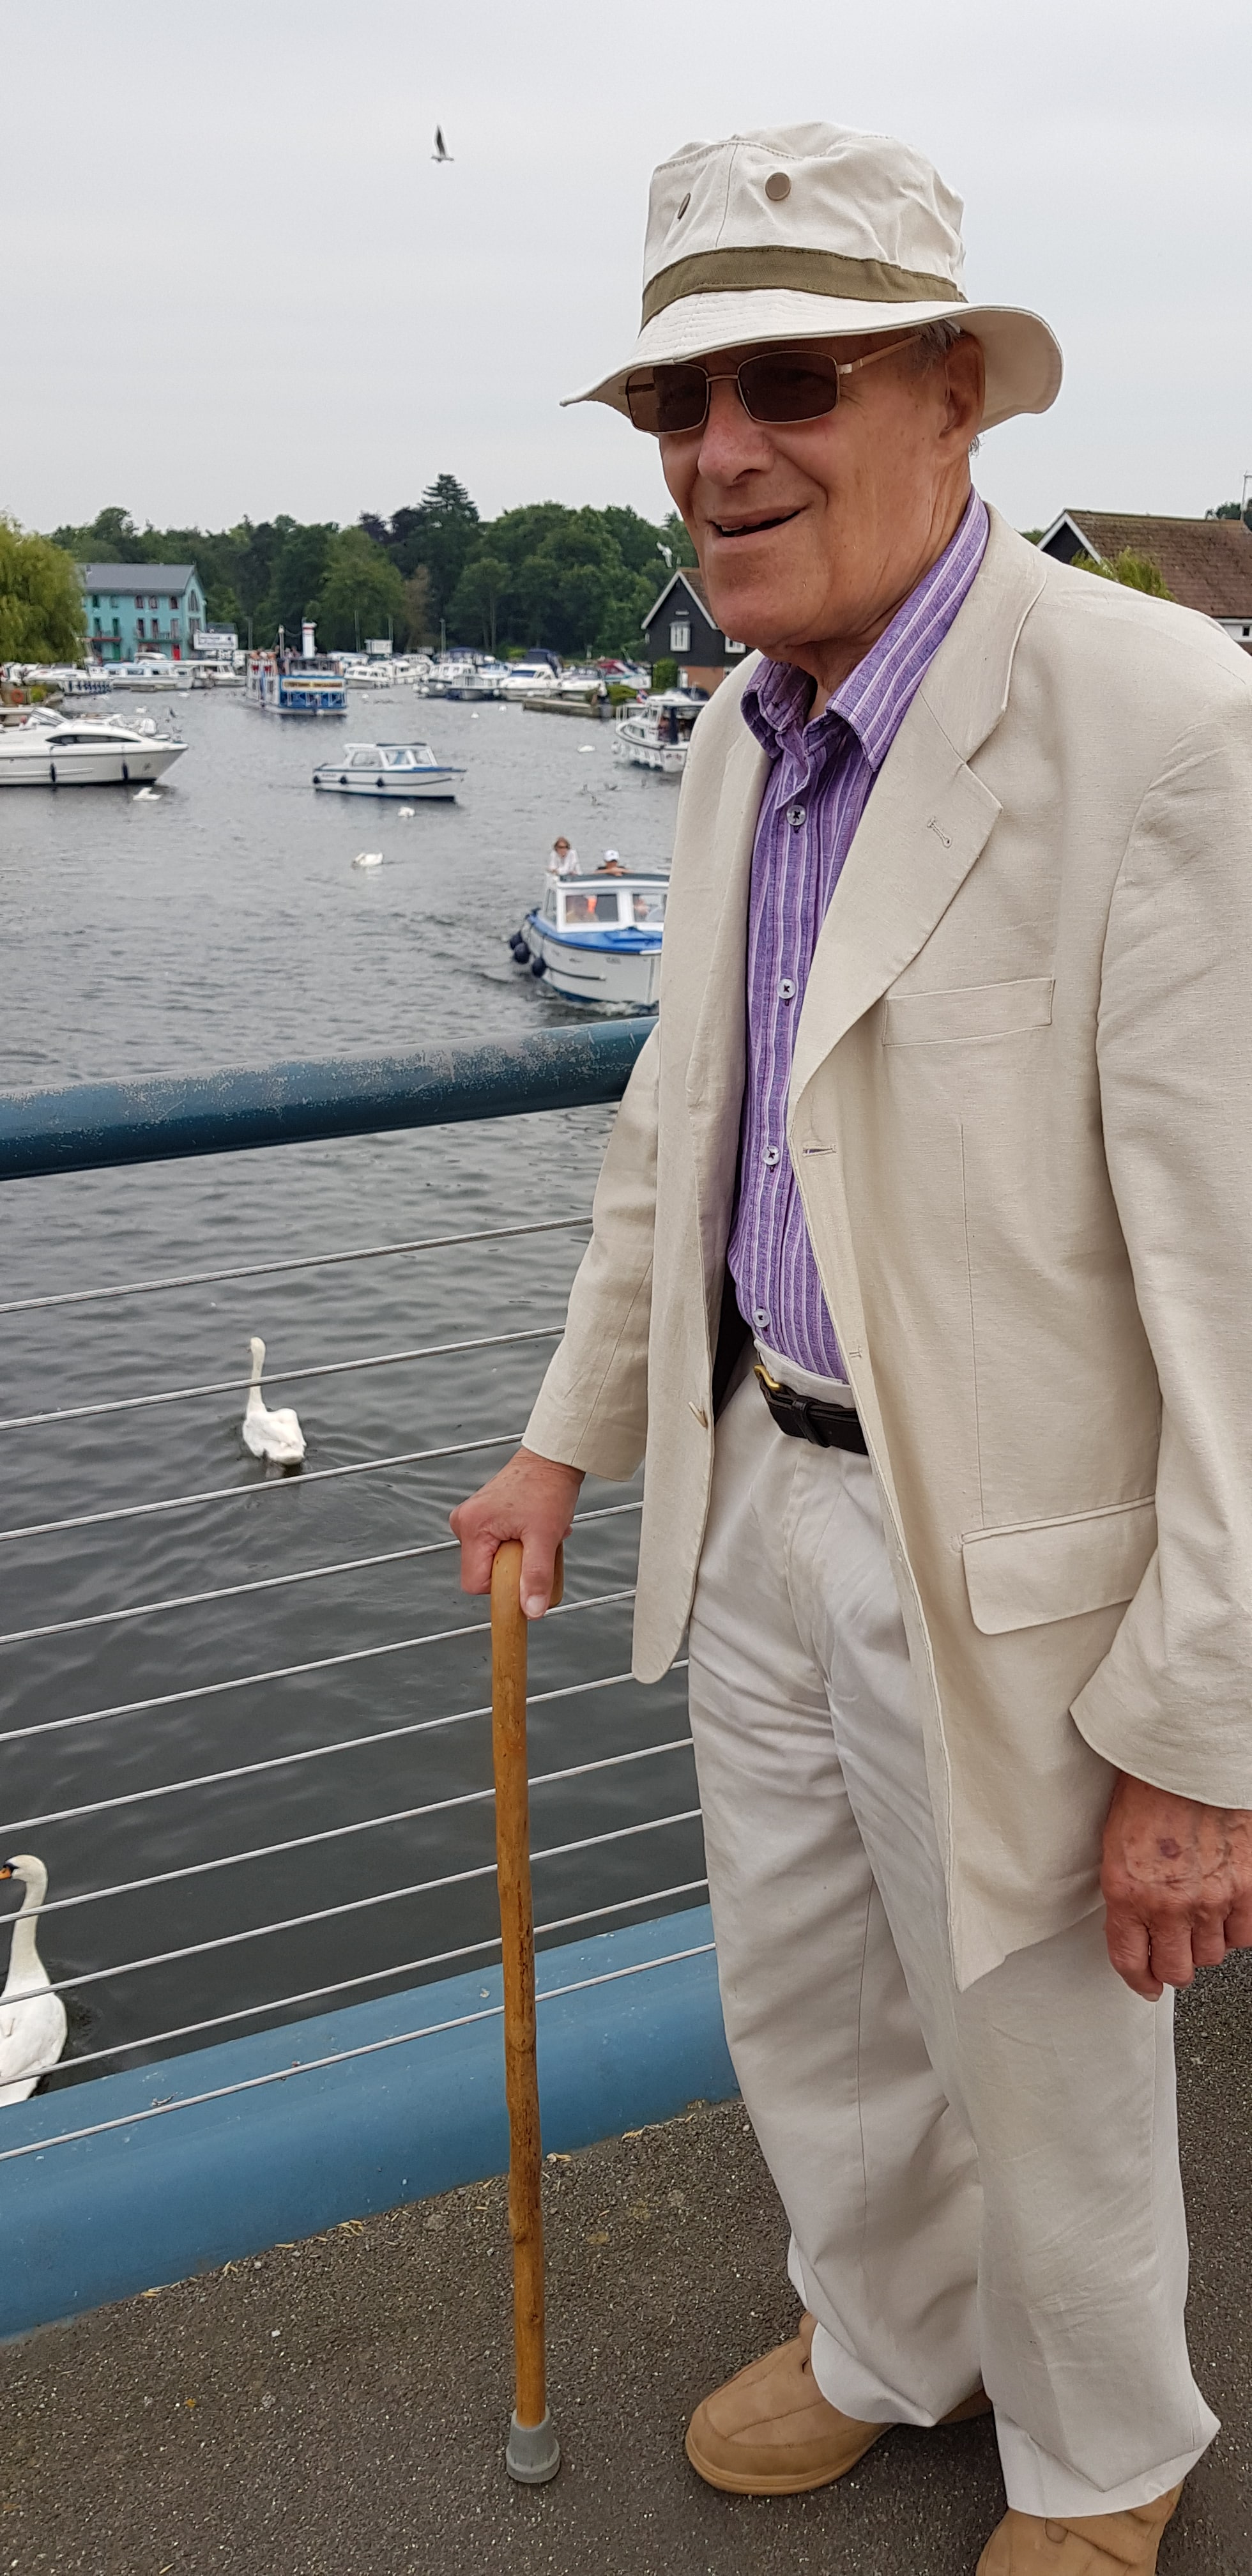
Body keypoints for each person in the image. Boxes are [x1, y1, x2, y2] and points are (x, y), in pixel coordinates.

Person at [452, 122, 1252, 2575]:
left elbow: (1241, 1281)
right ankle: (897, 2334)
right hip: (763, 1490)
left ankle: (1107, 2457)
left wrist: (1206, 1735)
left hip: (1012, 1548)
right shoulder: (733, 736)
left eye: (782, 379)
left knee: (1039, 2043)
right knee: (805, 1993)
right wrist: (563, 1440)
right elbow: (675, 1135)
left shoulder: (1162, 721)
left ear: (950, 398)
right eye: (672, 407)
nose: (716, 454)